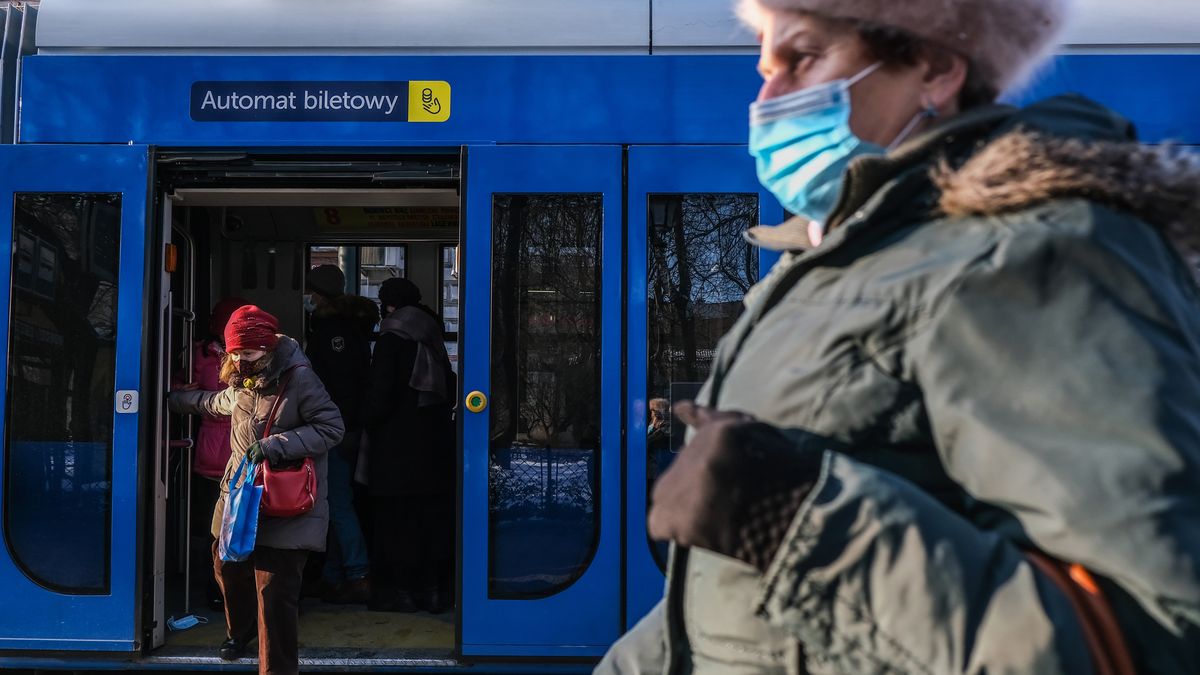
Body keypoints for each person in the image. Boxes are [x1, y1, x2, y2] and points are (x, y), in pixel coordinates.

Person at [597, 0, 1200, 673]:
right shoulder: (829, 269)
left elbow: (1150, 638)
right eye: (765, 64)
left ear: (935, 67)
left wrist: (794, 521)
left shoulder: (1027, 262)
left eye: (803, 57)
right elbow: (731, 610)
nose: (765, 98)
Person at [169, 305, 344, 674]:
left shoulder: (300, 379)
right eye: (234, 353)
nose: (239, 360)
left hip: (287, 503)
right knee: (224, 565)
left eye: (247, 353)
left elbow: (331, 428)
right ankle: (241, 630)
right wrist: (172, 399)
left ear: (267, 348)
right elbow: (217, 403)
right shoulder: (240, 380)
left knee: (274, 596)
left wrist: (274, 446)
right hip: (239, 497)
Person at [363, 278, 455, 614]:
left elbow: (380, 396)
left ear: (388, 305)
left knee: (396, 524)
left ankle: (401, 594)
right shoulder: (431, 334)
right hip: (434, 447)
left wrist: (363, 423)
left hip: (396, 450)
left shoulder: (392, 336)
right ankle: (434, 592)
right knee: (431, 522)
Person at [304, 264, 378, 604]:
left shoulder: (332, 333)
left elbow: (333, 385)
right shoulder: (352, 330)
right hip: (346, 427)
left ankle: (357, 573)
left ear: (319, 295)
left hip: (334, 429)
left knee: (337, 504)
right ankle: (334, 575)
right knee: (334, 502)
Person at [184, 296, 250, 612]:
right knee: (214, 529)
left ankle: (229, 591)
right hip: (218, 453)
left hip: (234, 453)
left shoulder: (204, 354)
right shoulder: (201, 353)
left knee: (234, 528)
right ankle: (215, 588)